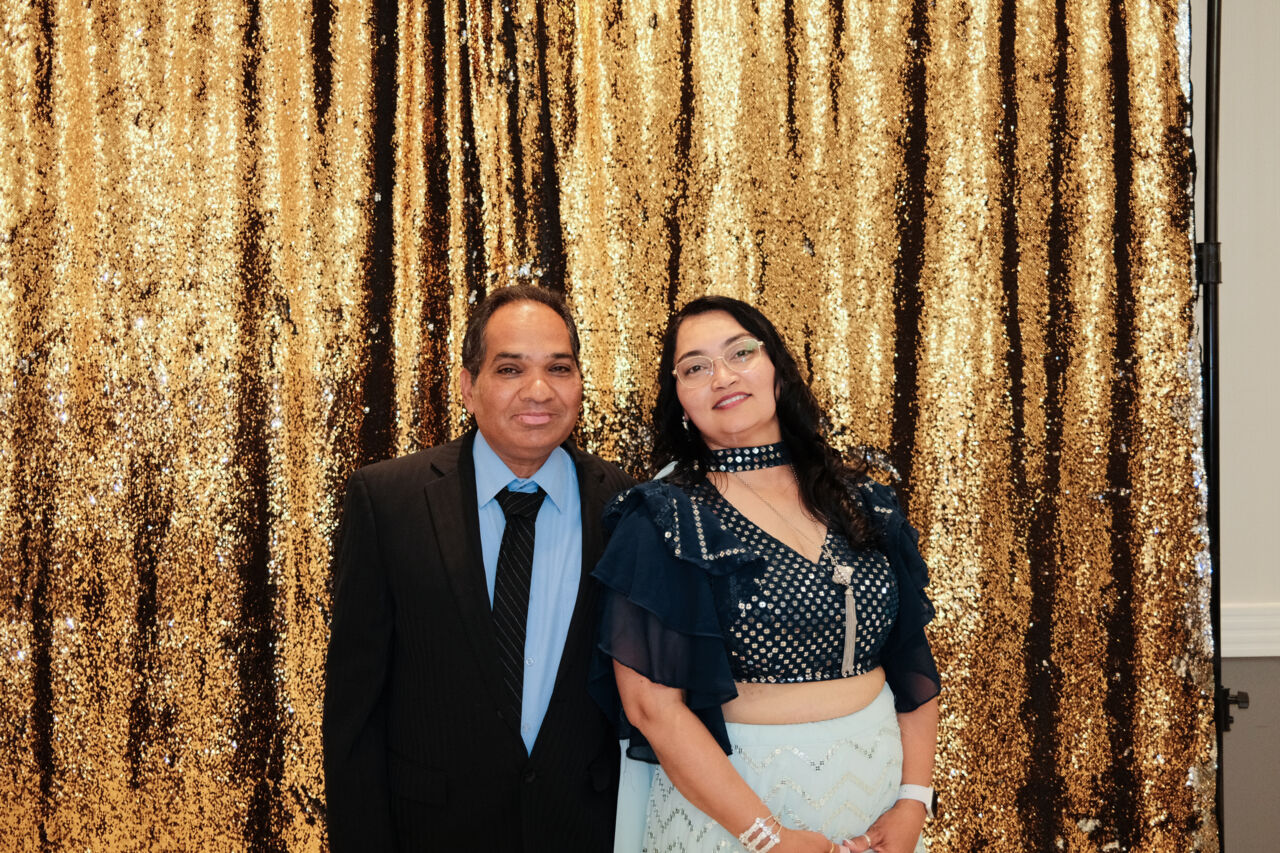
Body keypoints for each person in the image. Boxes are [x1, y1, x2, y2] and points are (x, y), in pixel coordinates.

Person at [589, 295, 940, 853]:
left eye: (740, 353)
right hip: (736, 807)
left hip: (876, 796)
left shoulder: (864, 502)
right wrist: (767, 837)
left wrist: (913, 800)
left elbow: (911, 663)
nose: (722, 376)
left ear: (777, 368)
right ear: (681, 401)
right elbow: (652, 708)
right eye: (695, 367)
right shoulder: (663, 516)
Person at [323, 284, 634, 852]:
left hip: (586, 829)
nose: (538, 390)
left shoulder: (624, 504)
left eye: (559, 368)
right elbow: (354, 712)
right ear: (469, 387)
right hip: (433, 831)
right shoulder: (388, 500)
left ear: (579, 384)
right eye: (510, 369)